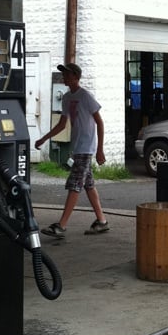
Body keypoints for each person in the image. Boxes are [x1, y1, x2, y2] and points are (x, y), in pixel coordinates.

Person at [35, 62, 109, 237]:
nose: (64, 77)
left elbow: (99, 122)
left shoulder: (86, 96)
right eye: (64, 74)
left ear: (76, 77)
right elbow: (62, 124)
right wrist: (44, 138)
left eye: (67, 74)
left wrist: (100, 149)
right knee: (88, 184)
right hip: (78, 146)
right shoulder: (67, 97)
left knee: (75, 184)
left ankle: (61, 225)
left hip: (86, 146)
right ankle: (102, 221)